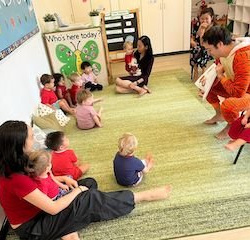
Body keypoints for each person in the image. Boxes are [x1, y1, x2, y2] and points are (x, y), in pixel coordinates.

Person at [0, 120, 172, 240]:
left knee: (89, 184)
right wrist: (77, 191)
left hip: (43, 205)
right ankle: (141, 196)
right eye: (30, 137)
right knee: (87, 195)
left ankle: (70, 226)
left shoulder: (18, 160)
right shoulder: (15, 178)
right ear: (19, 144)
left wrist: (62, 179)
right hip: (34, 227)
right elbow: (52, 208)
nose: (34, 141)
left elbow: (42, 180)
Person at [202, 26, 250, 139]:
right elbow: (219, 66)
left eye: (210, 50)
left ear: (219, 44)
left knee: (228, 106)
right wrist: (207, 80)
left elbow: (238, 92)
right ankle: (220, 115)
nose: (209, 53)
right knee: (208, 87)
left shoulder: (242, 56)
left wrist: (220, 76)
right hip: (235, 84)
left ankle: (232, 126)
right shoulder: (225, 51)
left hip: (246, 91)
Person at [190, 7, 215, 81]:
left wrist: (203, 30)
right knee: (195, 49)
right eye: (202, 18)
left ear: (212, 18)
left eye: (207, 18)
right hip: (199, 45)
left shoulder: (212, 28)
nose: (204, 20)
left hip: (208, 46)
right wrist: (192, 41)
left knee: (202, 50)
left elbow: (203, 41)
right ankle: (196, 70)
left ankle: (204, 71)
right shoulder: (197, 25)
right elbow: (193, 36)